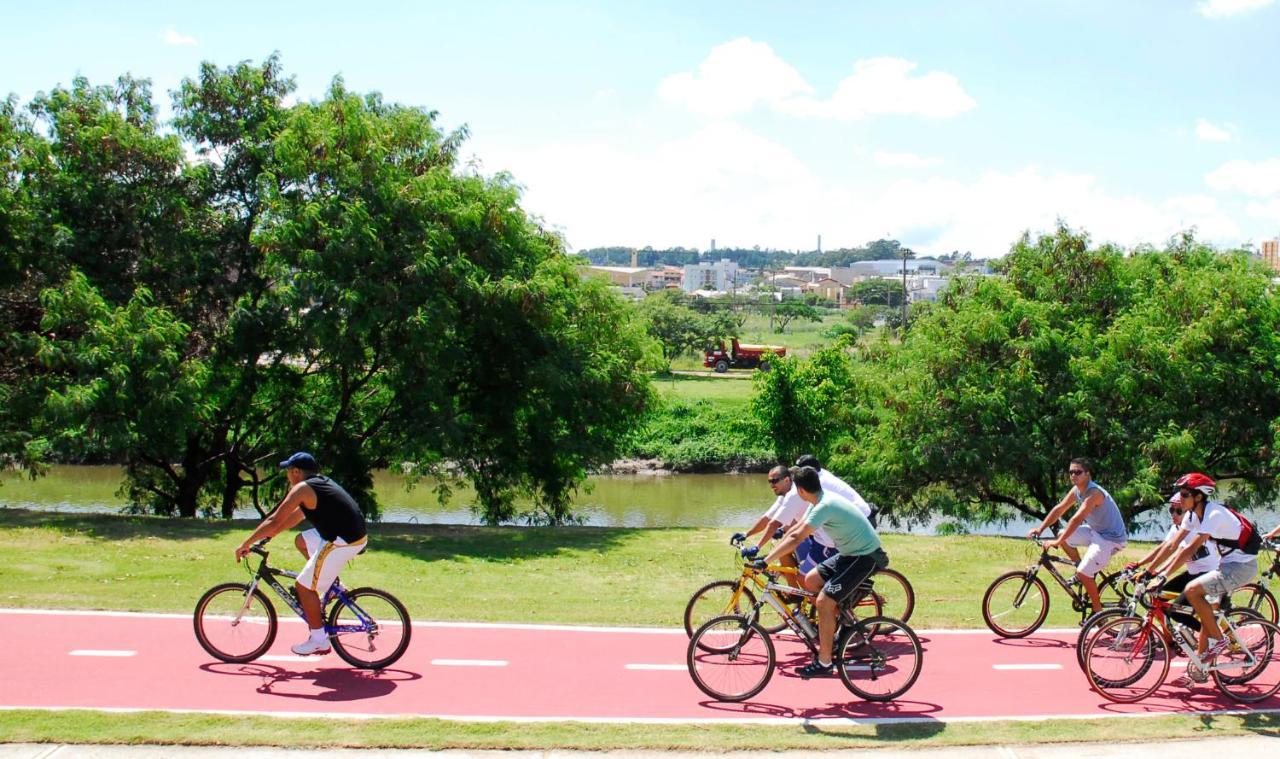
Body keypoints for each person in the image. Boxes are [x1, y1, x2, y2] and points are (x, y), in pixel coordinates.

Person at [235, 452, 368, 656]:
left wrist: (246, 543)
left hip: (344, 540)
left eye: (288, 471)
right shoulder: (317, 484)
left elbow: (274, 520)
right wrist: (270, 537)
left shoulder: (303, 488)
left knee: (303, 586)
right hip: (347, 533)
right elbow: (293, 518)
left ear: (296, 472)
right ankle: (331, 585)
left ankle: (319, 639)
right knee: (301, 541)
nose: (288, 476)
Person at [761, 466, 888, 678]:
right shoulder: (818, 500)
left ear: (801, 491)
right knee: (810, 580)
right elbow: (795, 529)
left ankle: (825, 661)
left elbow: (797, 538)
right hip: (851, 553)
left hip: (865, 556)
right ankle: (843, 619)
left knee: (823, 602)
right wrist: (768, 553)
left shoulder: (824, 506)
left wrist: (765, 561)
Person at [1149, 472, 1261, 678]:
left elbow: (1188, 549)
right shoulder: (1192, 516)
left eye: (1184, 495)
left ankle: (1219, 641)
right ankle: (1201, 669)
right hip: (1226, 564)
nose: (1179, 499)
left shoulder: (1213, 515)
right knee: (1204, 610)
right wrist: (1149, 571)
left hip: (1241, 567)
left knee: (1192, 590)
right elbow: (1173, 544)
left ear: (1198, 496)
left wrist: (1163, 575)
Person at [1027, 457, 1128, 615]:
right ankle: (1080, 568)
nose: (1073, 475)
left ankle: (1097, 611)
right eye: (1071, 472)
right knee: (1063, 534)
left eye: (1078, 472)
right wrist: (1040, 529)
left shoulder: (1094, 493)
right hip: (1096, 532)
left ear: (1087, 474)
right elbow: (1059, 509)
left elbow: (1076, 519)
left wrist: (1057, 542)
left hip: (1111, 539)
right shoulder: (1077, 490)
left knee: (1082, 570)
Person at [1126, 492, 1218, 596]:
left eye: (1179, 511)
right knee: (1161, 596)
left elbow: (1177, 557)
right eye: (1171, 510)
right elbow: (1162, 548)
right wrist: (1139, 564)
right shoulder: (1176, 528)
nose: (1173, 514)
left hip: (1207, 574)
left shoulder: (1192, 531)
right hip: (1192, 574)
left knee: (1177, 607)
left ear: (1188, 513)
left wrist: (1157, 572)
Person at [795, 454, 873, 519]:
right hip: (861, 513)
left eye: (800, 470)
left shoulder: (820, 483)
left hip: (862, 517)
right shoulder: (822, 473)